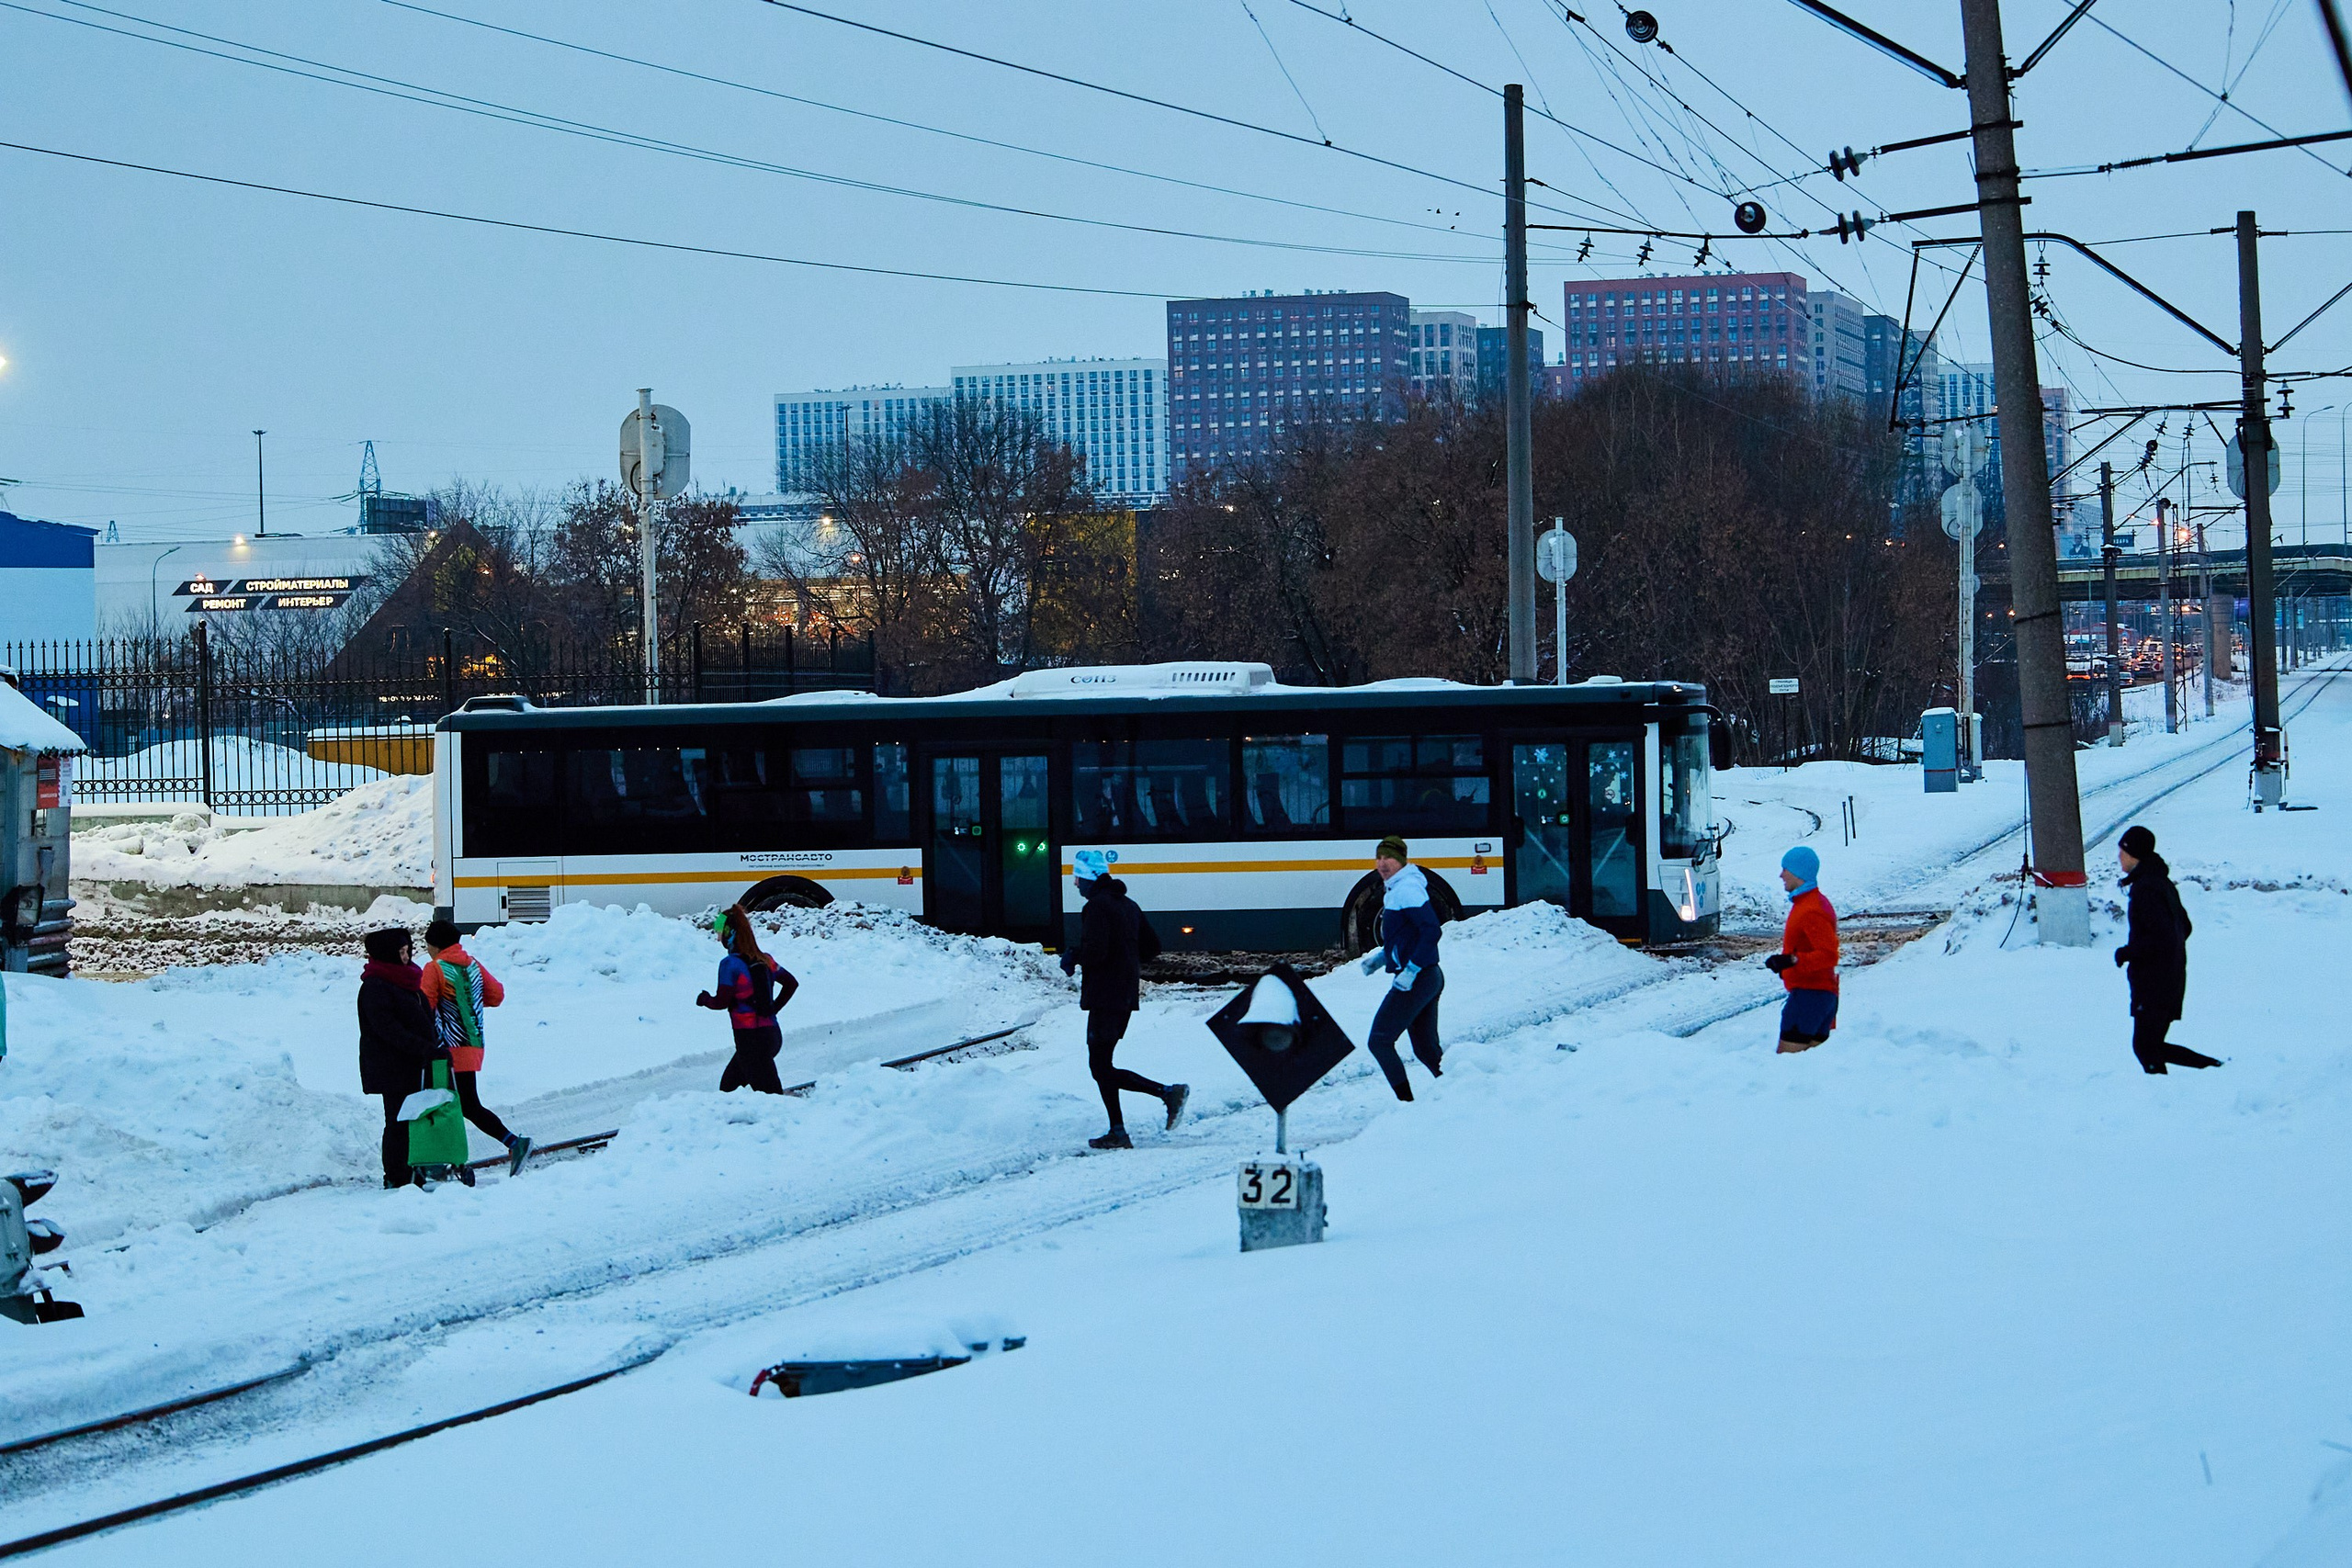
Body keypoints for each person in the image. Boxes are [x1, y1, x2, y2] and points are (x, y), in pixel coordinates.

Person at [1061, 849, 1186, 1150]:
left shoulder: (1096, 907)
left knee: (1100, 1066)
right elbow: (1152, 947)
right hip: (1124, 994)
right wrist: (1126, 960)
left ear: (1090, 877)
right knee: (1102, 1065)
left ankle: (1167, 1094)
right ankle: (1118, 1130)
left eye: (1077, 878)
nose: (1076, 885)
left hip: (1106, 995)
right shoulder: (1128, 905)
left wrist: (1072, 956)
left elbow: (1096, 952)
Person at [420, 918, 533, 1176]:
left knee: (442, 1105)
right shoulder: (472, 965)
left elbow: (425, 1007)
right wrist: (467, 1006)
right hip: (473, 1046)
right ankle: (512, 1143)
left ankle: (441, 1163)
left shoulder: (435, 968)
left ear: (435, 946)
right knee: (467, 1105)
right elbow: (496, 995)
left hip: (446, 1050)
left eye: (427, 944)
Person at [2113, 825, 2222, 1074]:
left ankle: (2214, 1070)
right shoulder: (2159, 883)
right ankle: (2213, 1071)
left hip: (2155, 981)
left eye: (2122, 851)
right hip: (2167, 978)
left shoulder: (2146, 889)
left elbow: (2162, 937)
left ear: (2134, 853)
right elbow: (2184, 927)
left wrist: (2128, 952)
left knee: (2145, 1046)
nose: (2119, 856)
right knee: (2149, 1045)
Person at [1356, 834, 1444, 1100]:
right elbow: (1407, 935)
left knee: (1379, 1041)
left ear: (1401, 860)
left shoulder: (1407, 889)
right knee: (1426, 1050)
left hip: (1418, 978)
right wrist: (1383, 958)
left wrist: (1411, 970)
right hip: (1428, 976)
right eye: (1379, 858)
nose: (1382, 864)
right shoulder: (1398, 887)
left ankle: (1406, 1105)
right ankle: (1461, 1091)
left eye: (1389, 859)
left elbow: (1431, 931)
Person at [356, 927, 442, 1190]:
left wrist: (434, 1044)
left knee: (413, 1119)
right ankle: (396, 1174)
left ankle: (413, 1168)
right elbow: (389, 1030)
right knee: (397, 1122)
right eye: (401, 952)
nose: (406, 957)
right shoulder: (376, 986)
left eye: (407, 951)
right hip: (391, 1066)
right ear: (387, 954)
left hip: (414, 1062)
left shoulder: (407, 980)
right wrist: (423, 1048)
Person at [696, 904, 797, 1093]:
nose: (718, 939)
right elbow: (791, 984)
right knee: (729, 1087)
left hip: (750, 1040)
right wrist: (772, 1009)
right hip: (772, 1036)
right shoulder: (765, 960)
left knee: (770, 1097)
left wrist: (705, 1000)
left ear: (730, 933)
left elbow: (721, 1002)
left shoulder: (730, 965)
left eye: (719, 933)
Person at [1767, 845, 1838, 1054]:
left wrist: (1792, 961)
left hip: (1810, 997)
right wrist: (1784, 962)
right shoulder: (1809, 903)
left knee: (1788, 1066)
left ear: (1798, 872)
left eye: (1785, 869)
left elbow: (1829, 955)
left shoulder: (1811, 909)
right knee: (1810, 1070)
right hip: (1818, 997)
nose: (1781, 875)